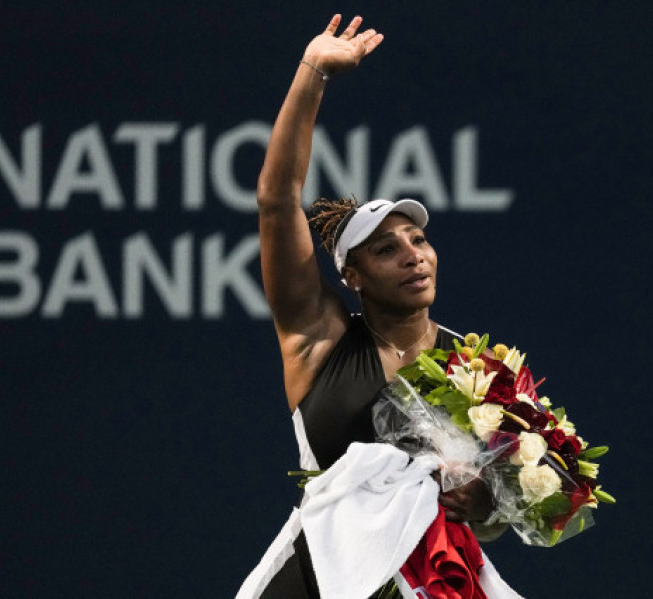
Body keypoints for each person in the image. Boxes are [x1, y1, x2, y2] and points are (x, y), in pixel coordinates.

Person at [237, 15, 502, 598]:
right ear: (352, 276)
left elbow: (500, 505)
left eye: (420, 241)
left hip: (433, 581)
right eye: (388, 249)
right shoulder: (318, 339)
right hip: (319, 579)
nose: (414, 256)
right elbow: (276, 200)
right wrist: (313, 73)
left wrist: (487, 501)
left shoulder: (476, 368)